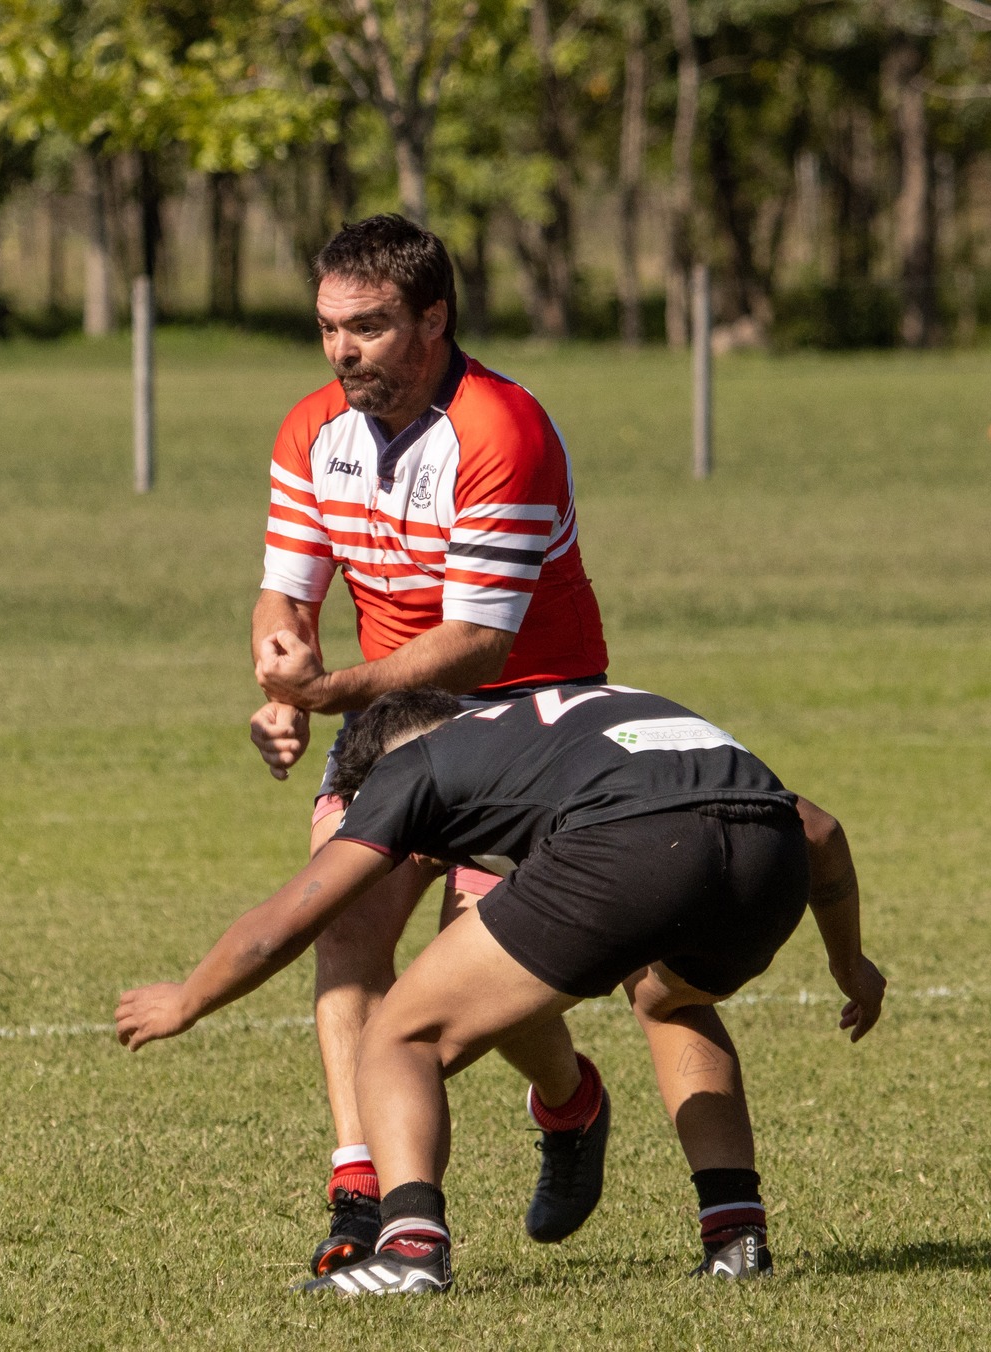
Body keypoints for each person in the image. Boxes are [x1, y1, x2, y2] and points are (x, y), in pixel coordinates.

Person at [119, 685, 885, 1292]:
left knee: (398, 1034)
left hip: (630, 845)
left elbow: (289, 918)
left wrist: (187, 999)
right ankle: (736, 1237)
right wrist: (849, 965)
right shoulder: (564, 719)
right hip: (767, 851)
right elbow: (818, 829)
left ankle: (412, 1251)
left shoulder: (414, 762)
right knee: (671, 998)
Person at [248, 214, 614, 1275]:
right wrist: (279, 674)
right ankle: (359, 1192)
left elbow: (475, 640)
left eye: (366, 326)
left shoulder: (502, 427)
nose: (341, 349)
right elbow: (287, 585)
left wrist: (324, 688)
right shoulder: (311, 428)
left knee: (477, 959)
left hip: (527, 711)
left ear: (432, 318)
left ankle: (568, 1098)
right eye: (326, 327)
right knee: (344, 922)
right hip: (386, 710)